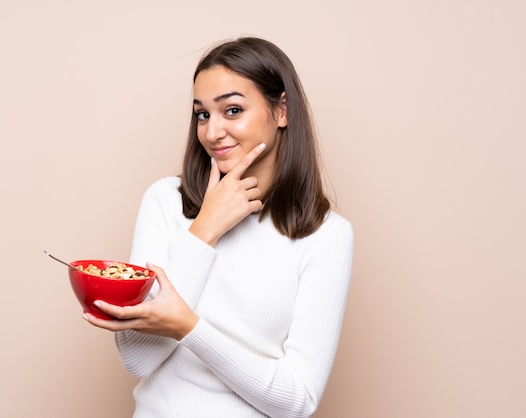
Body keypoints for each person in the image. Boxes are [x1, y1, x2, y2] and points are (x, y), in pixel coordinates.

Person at [83, 36, 354, 418]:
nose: (212, 133)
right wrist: (205, 229)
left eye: (232, 110)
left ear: (282, 111)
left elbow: (298, 401)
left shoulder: (326, 235)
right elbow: (137, 358)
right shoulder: (165, 201)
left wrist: (190, 328)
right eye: (203, 114)